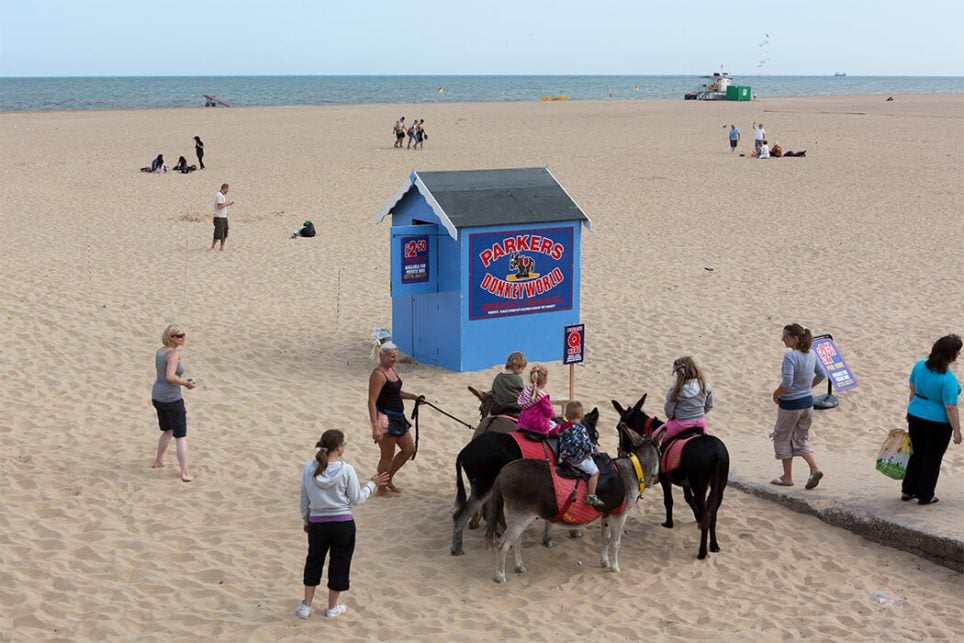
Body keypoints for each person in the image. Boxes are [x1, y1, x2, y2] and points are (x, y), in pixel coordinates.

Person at [297, 429, 389, 620]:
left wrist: (307, 520)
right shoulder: (346, 470)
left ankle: (306, 606)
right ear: (338, 447)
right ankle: (332, 607)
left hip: (318, 523)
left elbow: (304, 499)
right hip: (342, 523)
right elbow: (357, 499)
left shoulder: (309, 468)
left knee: (314, 560)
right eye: (344, 444)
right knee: (340, 562)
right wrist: (372, 483)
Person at [902, 335, 962, 505]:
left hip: (915, 415)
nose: (959, 355)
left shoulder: (919, 365)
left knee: (916, 453)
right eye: (958, 352)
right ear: (951, 355)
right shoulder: (948, 380)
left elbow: (912, 390)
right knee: (932, 458)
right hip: (938, 423)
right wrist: (957, 431)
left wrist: (910, 410)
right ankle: (925, 494)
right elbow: (950, 407)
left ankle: (908, 490)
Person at [770, 323, 826, 489]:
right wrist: (807, 388)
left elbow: (787, 383)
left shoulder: (790, 356)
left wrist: (776, 394)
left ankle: (787, 477)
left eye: (785, 336)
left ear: (795, 338)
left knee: (782, 437)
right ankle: (814, 469)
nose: (782, 339)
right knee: (800, 438)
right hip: (807, 403)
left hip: (791, 404)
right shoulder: (811, 354)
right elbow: (821, 374)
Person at [367, 341, 423, 495]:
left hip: (398, 417)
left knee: (409, 449)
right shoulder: (378, 375)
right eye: (392, 357)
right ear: (382, 356)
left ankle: (388, 479)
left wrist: (414, 397)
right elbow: (371, 402)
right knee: (387, 456)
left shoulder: (391, 370)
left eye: (395, 356)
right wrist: (375, 426)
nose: (395, 359)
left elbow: (396, 392)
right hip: (385, 419)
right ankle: (381, 489)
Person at [151, 324, 197, 482]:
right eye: (179, 335)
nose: (183, 338)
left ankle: (158, 461)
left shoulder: (160, 351)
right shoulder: (173, 354)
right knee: (180, 436)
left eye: (183, 335)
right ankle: (185, 472)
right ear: (170, 338)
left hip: (157, 396)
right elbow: (170, 377)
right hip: (171, 398)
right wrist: (186, 384)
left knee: (168, 430)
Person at [657, 356, 714, 445]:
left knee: (655, 438)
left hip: (680, 424)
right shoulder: (705, 385)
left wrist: (675, 417)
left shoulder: (675, 389)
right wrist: (698, 414)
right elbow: (709, 405)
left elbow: (669, 412)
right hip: (700, 423)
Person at [559, 401, 604, 508]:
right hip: (577, 459)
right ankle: (591, 496)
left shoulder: (563, 427)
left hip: (566, 456)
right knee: (595, 472)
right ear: (582, 416)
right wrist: (594, 450)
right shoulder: (581, 428)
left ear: (566, 416)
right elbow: (585, 444)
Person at [517, 365, 560, 438]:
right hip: (538, 426)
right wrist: (553, 414)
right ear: (545, 380)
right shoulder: (543, 396)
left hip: (524, 423)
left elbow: (520, 401)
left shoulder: (526, 389)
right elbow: (549, 413)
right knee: (557, 429)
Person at [490, 351, 527, 416]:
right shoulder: (517, 379)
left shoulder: (498, 377)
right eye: (521, 368)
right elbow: (523, 395)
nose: (522, 372)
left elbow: (494, 393)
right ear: (516, 366)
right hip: (515, 409)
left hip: (499, 409)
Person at [211, 183, 234, 251]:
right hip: (219, 217)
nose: (228, 191)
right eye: (227, 190)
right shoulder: (219, 195)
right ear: (225, 188)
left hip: (224, 217)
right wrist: (228, 203)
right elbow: (220, 206)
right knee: (218, 233)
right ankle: (213, 246)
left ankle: (221, 247)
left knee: (225, 232)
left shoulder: (222, 196)